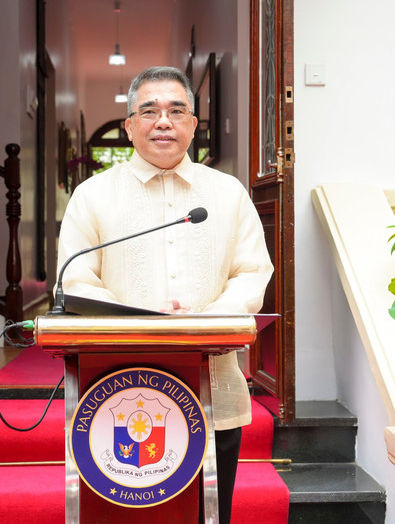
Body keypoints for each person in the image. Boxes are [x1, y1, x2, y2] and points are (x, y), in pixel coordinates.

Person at [55, 66, 273, 523]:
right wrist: (138, 318)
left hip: (212, 383)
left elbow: (253, 271)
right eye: (149, 111)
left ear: (193, 125)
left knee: (207, 511)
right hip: (114, 383)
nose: (164, 121)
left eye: (177, 111)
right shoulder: (92, 195)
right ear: (129, 125)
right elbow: (75, 279)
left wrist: (207, 319)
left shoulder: (227, 194)